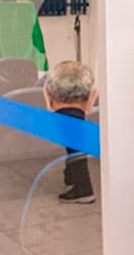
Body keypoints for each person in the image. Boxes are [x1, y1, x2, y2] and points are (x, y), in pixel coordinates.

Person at [42, 61, 99, 204]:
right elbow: (94, 94)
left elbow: (48, 102)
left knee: (75, 150)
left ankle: (84, 190)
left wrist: (50, 107)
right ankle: (72, 178)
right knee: (74, 148)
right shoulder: (88, 92)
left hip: (62, 114)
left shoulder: (51, 90)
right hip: (78, 114)